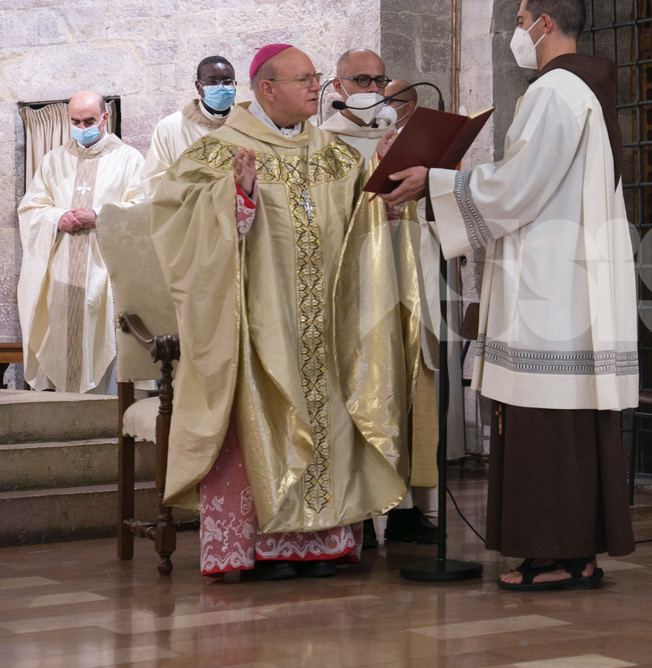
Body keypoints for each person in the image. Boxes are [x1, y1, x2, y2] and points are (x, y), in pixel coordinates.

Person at [380, 0, 637, 591]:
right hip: (566, 279)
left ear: (544, 24)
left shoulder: (555, 91)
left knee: (547, 421)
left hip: (550, 286)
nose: (516, 33)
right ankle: (574, 553)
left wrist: (437, 182)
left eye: (520, 21)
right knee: (566, 421)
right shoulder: (584, 89)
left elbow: (519, 187)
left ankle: (560, 555)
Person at [152, 43, 418, 580]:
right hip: (256, 322)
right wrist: (234, 198)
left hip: (330, 322)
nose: (316, 87)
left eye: (317, 77)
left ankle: (325, 543)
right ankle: (261, 548)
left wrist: (385, 184)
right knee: (261, 414)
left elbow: (365, 224)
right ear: (267, 89)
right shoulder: (218, 150)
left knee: (331, 414)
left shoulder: (337, 155)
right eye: (304, 79)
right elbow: (175, 221)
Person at [319, 50, 441, 547]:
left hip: (406, 272)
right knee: (362, 386)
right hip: (356, 285)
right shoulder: (323, 142)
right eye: (361, 79)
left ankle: (407, 509)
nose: (372, 88)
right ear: (338, 87)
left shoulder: (399, 136)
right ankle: (363, 514)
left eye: (379, 79)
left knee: (411, 384)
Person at [17, 91, 145, 393]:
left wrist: (99, 215)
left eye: (89, 121)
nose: (82, 127)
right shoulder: (53, 161)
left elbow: (143, 210)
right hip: (61, 280)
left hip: (107, 277)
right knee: (60, 339)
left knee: (105, 339)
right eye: (75, 121)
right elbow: (30, 208)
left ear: (105, 118)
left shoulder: (129, 159)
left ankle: (107, 417)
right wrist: (57, 217)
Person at [140, 56, 237, 197]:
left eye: (227, 82)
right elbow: (153, 183)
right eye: (212, 82)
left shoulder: (248, 125)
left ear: (235, 85)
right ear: (198, 87)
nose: (220, 87)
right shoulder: (169, 128)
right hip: (188, 209)